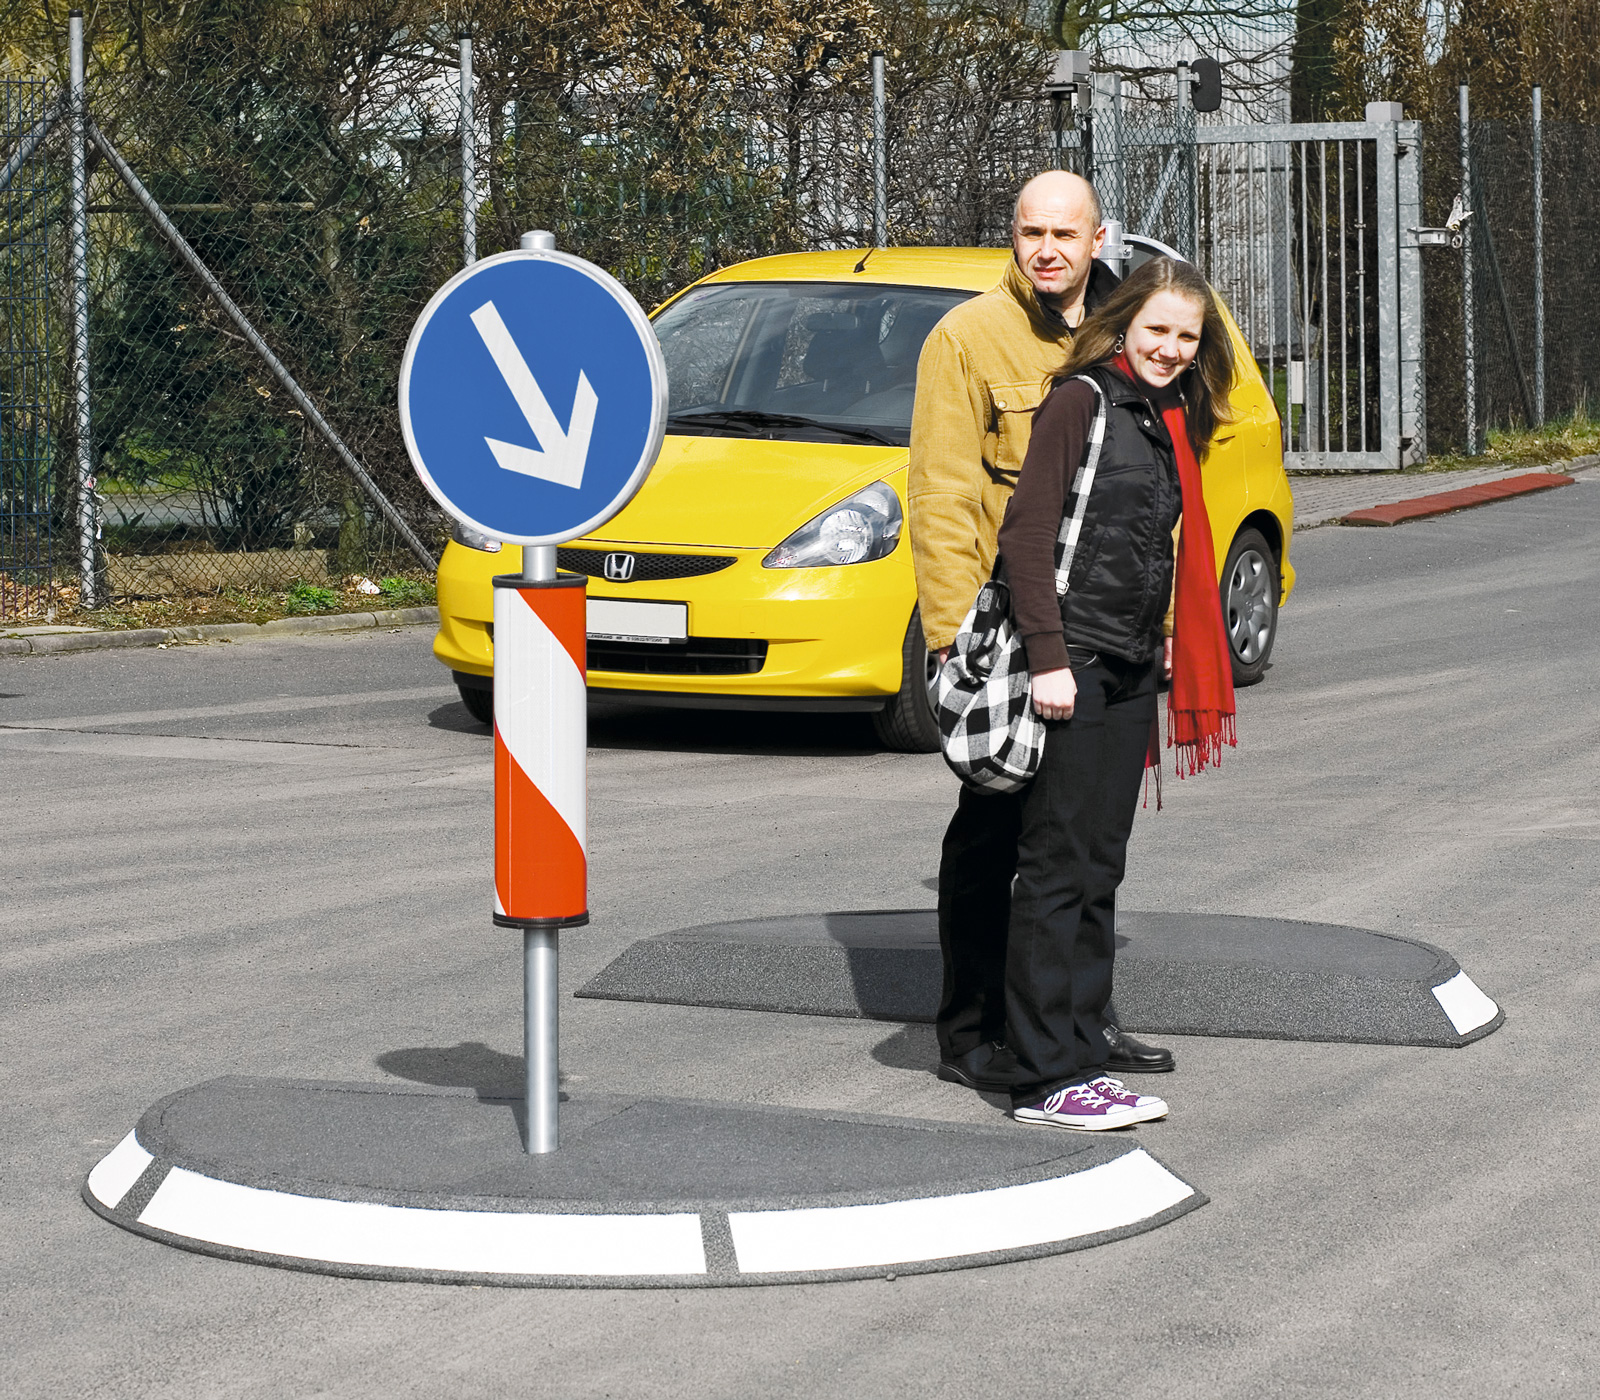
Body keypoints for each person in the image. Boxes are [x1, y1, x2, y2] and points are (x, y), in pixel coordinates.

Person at [908, 170, 1172, 1094]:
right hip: (1006, 626)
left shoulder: (1124, 326)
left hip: (1100, 627)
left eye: (1067, 232)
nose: (1048, 249)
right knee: (995, 827)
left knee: (1080, 839)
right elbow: (941, 494)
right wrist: (952, 639)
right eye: (1031, 232)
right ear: (1012, 238)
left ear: (1100, 236)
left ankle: (1078, 1019)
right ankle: (972, 1028)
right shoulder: (968, 338)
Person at [993, 254, 1238, 1129]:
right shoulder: (1083, 401)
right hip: (1077, 663)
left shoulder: (1168, 412)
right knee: (1057, 868)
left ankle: (1084, 1047)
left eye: (1187, 335)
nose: (1171, 346)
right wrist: (1049, 656)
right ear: (1125, 323)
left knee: (1101, 867)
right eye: (1157, 329)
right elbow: (1026, 537)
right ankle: (1043, 1077)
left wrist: (1164, 639)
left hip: (1130, 659)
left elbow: (1144, 541)